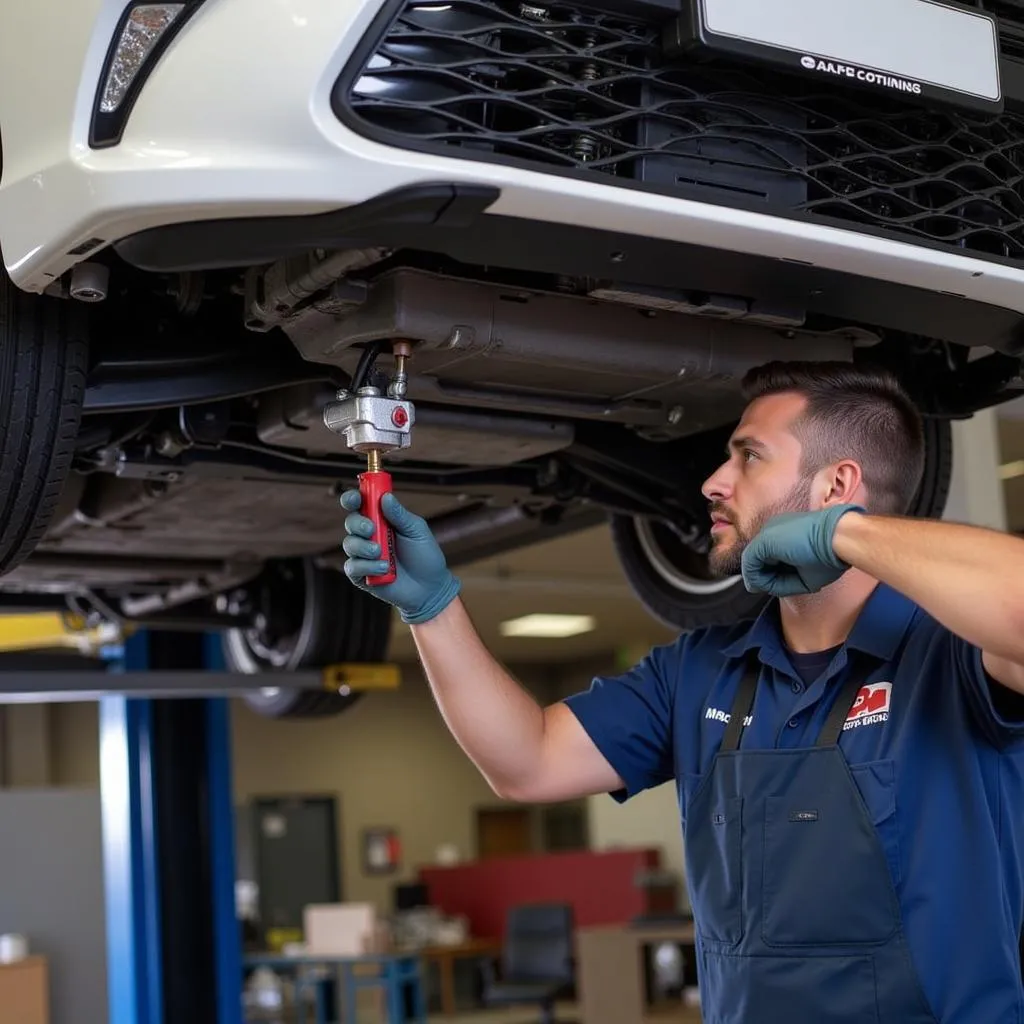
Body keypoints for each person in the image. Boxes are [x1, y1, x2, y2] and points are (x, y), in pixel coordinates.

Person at [340, 361, 1024, 1024]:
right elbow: (526, 762)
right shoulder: (700, 671)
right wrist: (431, 609)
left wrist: (844, 533)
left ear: (836, 483)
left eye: (748, 457)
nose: (713, 482)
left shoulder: (953, 655)